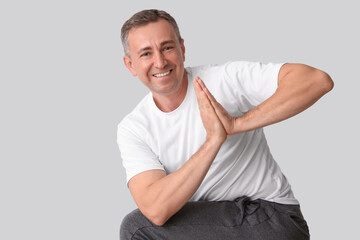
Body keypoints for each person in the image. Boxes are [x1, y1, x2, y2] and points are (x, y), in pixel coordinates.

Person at [117, 9, 333, 240]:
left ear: (182, 48)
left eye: (167, 47)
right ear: (130, 65)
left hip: (271, 217)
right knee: (142, 224)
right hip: (214, 225)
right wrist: (213, 141)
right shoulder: (134, 128)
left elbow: (317, 80)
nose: (159, 62)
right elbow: (155, 210)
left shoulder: (223, 80)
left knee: (136, 229)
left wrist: (236, 124)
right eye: (146, 54)